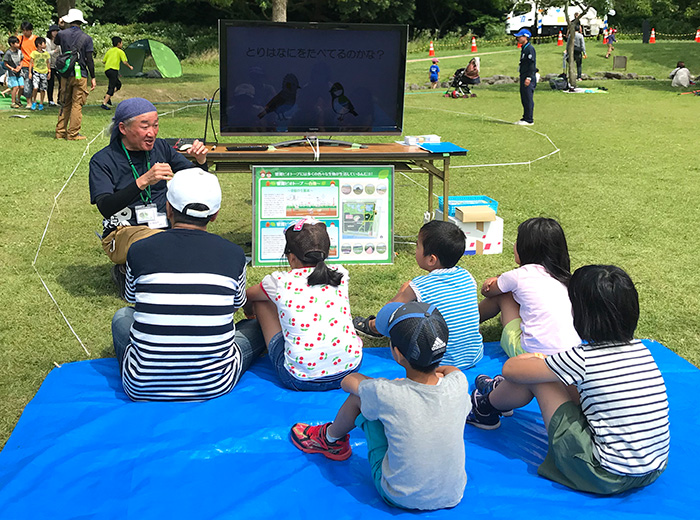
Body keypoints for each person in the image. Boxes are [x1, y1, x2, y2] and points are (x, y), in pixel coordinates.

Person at [466, 265, 669, 495]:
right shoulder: (643, 351)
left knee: (540, 378)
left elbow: (511, 368)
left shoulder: (583, 358)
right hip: (652, 468)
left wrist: (534, 358)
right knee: (555, 377)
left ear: (581, 314)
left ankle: (486, 405)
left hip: (603, 475)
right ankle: (494, 396)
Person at [290, 301, 469, 510]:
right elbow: (452, 370)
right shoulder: (459, 383)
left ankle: (330, 439)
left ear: (397, 354)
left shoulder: (385, 393)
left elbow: (348, 382)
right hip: (453, 494)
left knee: (359, 398)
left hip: (398, 495)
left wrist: (383, 385)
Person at [111, 168, 265, 401]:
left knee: (122, 316)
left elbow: (132, 297)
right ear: (215, 214)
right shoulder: (234, 255)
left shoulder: (139, 250)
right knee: (256, 327)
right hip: (214, 384)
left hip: (140, 385)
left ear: (168, 208)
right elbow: (234, 306)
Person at [88, 97, 209, 295]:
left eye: (155, 125)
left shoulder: (161, 148)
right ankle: (126, 270)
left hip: (166, 227)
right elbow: (106, 207)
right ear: (123, 128)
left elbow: (196, 182)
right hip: (122, 231)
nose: (151, 133)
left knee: (196, 242)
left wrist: (201, 161)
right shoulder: (103, 160)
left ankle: (149, 270)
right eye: (144, 127)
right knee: (164, 244)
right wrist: (143, 181)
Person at [244, 218, 363, 390]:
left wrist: (249, 313)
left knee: (261, 302)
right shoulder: (340, 274)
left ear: (291, 258)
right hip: (350, 370)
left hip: (299, 378)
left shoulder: (279, 281)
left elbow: (248, 295)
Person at [353, 220, 484, 370]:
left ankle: (370, 326)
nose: (415, 249)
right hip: (473, 356)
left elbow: (387, 314)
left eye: (417, 245)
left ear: (431, 259)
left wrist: (402, 292)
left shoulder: (419, 285)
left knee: (394, 313)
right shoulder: (467, 276)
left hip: (437, 363)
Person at [479, 217, 579, 359]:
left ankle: (466, 321)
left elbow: (488, 292)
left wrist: (493, 281)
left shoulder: (518, 276)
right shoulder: (564, 278)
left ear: (525, 248)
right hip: (568, 355)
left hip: (529, 355)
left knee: (504, 294)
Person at [54, 9, 96, 140]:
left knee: (65, 103)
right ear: (80, 22)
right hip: (80, 74)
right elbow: (90, 60)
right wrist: (93, 77)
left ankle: (60, 132)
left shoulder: (62, 34)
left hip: (65, 74)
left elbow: (56, 42)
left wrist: (61, 25)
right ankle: (73, 134)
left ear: (69, 20)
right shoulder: (87, 38)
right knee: (77, 104)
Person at [102, 36, 133, 110]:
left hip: (107, 70)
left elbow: (103, 61)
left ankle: (107, 96)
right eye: (121, 43)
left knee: (118, 84)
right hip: (113, 70)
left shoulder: (109, 51)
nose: (122, 44)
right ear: (119, 43)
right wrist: (130, 67)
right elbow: (124, 61)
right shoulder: (120, 51)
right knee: (111, 86)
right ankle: (104, 103)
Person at [514, 28, 536, 125]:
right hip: (523, 75)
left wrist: (529, 77)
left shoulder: (530, 49)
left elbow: (532, 64)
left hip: (528, 77)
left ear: (525, 37)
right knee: (524, 97)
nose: (518, 38)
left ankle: (529, 119)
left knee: (528, 97)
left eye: (520, 36)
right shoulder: (524, 48)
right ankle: (525, 117)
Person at [18, 21, 37, 110]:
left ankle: (34, 100)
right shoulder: (20, 39)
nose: (25, 32)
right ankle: (29, 102)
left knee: (35, 85)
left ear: (31, 30)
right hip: (25, 65)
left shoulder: (36, 39)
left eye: (27, 30)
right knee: (27, 84)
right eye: (23, 31)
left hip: (36, 65)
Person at [28, 36, 50, 110]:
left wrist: (49, 72)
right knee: (35, 87)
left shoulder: (46, 54)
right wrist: (30, 73)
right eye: (44, 43)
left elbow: (48, 63)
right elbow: (31, 63)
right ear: (39, 44)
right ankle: (34, 101)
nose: (45, 45)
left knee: (43, 89)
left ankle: (41, 103)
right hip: (36, 72)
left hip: (44, 72)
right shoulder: (34, 53)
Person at [3, 36, 24, 109]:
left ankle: (18, 100)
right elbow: (5, 63)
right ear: (11, 44)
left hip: (19, 72)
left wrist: (20, 67)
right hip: (12, 73)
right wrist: (12, 68)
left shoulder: (19, 51)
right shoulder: (8, 53)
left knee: (21, 86)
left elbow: (22, 60)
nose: (18, 44)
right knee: (15, 87)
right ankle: (13, 102)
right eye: (16, 43)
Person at [45, 24, 61, 106]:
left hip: (58, 64)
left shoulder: (60, 40)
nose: (55, 33)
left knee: (62, 82)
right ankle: (50, 100)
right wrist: (54, 51)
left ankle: (60, 99)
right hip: (49, 64)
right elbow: (45, 53)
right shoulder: (47, 41)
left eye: (57, 31)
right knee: (50, 83)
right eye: (53, 31)